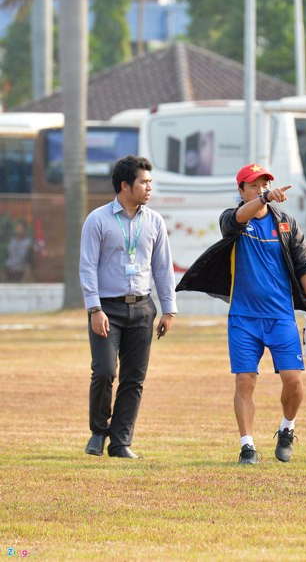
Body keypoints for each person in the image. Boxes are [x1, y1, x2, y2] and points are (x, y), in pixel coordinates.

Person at [176, 163, 306, 465]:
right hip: (243, 318)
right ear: (241, 191)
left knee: (294, 381)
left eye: (265, 184)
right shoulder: (233, 219)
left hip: (281, 316)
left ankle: (287, 428)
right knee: (245, 381)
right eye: (253, 185)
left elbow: (305, 266)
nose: (260, 189)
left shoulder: (287, 225)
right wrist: (265, 199)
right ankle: (247, 446)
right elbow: (238, 219)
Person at [79, 155, 177, 459]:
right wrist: (95, 309)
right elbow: (87, 267)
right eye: (143, 182)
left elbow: (163, 268)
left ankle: (120, 442)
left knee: (134, 378)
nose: (149, 187)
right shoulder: (98, 220)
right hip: (107, 309)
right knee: (105, 371)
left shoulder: (155, 221)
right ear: (125, 185)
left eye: (150, 181)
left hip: (142, 308)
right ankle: (98, 431)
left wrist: (168, 309)